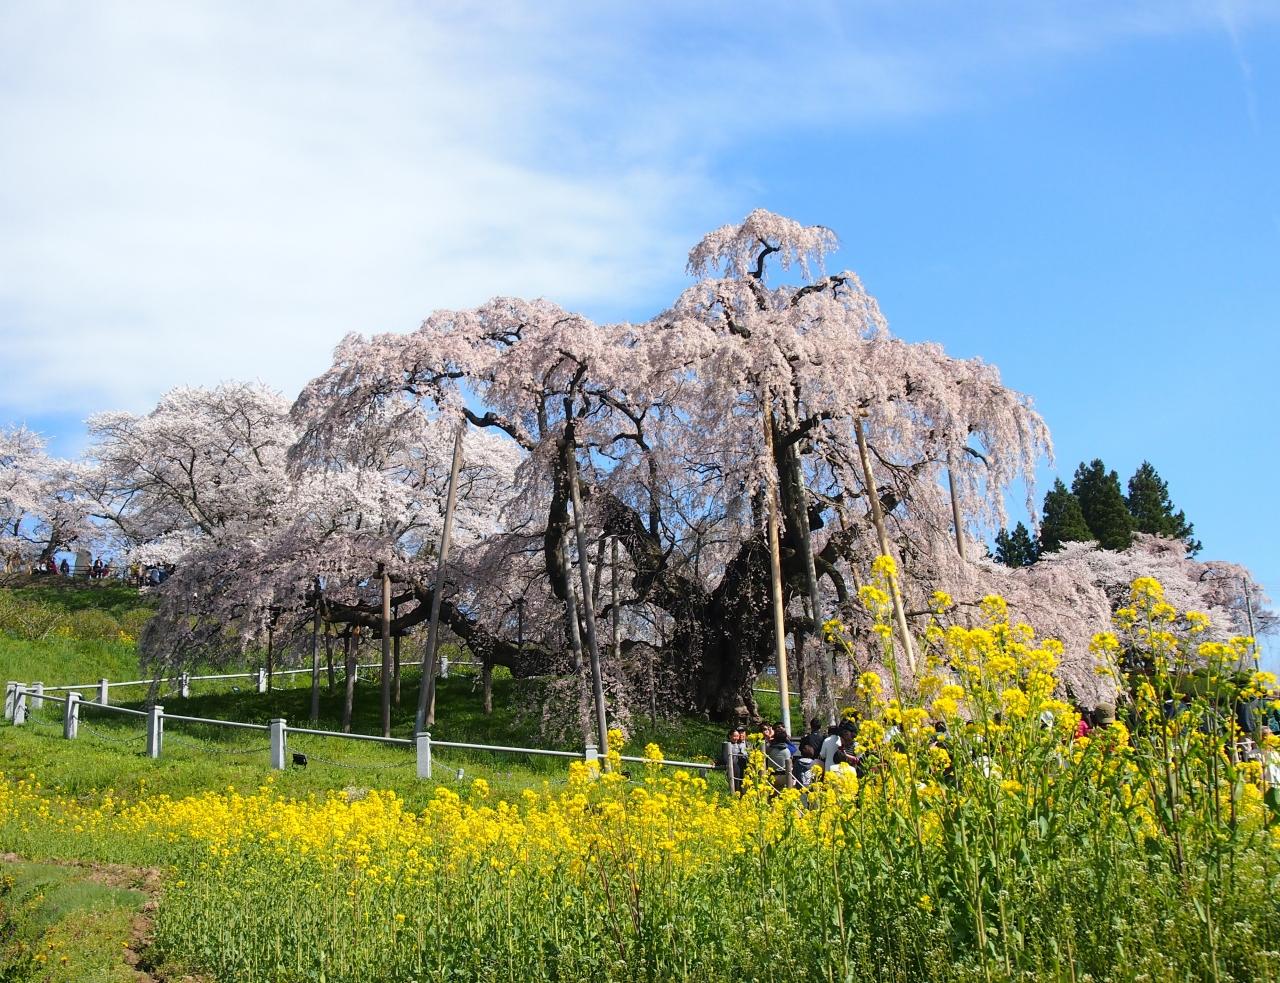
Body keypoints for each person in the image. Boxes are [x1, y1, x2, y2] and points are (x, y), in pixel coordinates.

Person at [765, 725, 796, 790]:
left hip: (772, 777)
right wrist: (787, 739)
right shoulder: (788, 750)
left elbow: (763, 748)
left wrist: (769, 738)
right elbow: (794, 748)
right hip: (785, 777)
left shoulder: (769, 749)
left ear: (774, 738)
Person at [724, 726, 748, 793]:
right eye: (739, 733)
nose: (741, 734)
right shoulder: (731, 744)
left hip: (747, 769)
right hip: (736, 768)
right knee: (737, 786)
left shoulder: (750, 743)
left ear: (745, 733)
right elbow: (724, 755)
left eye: (742, 732)